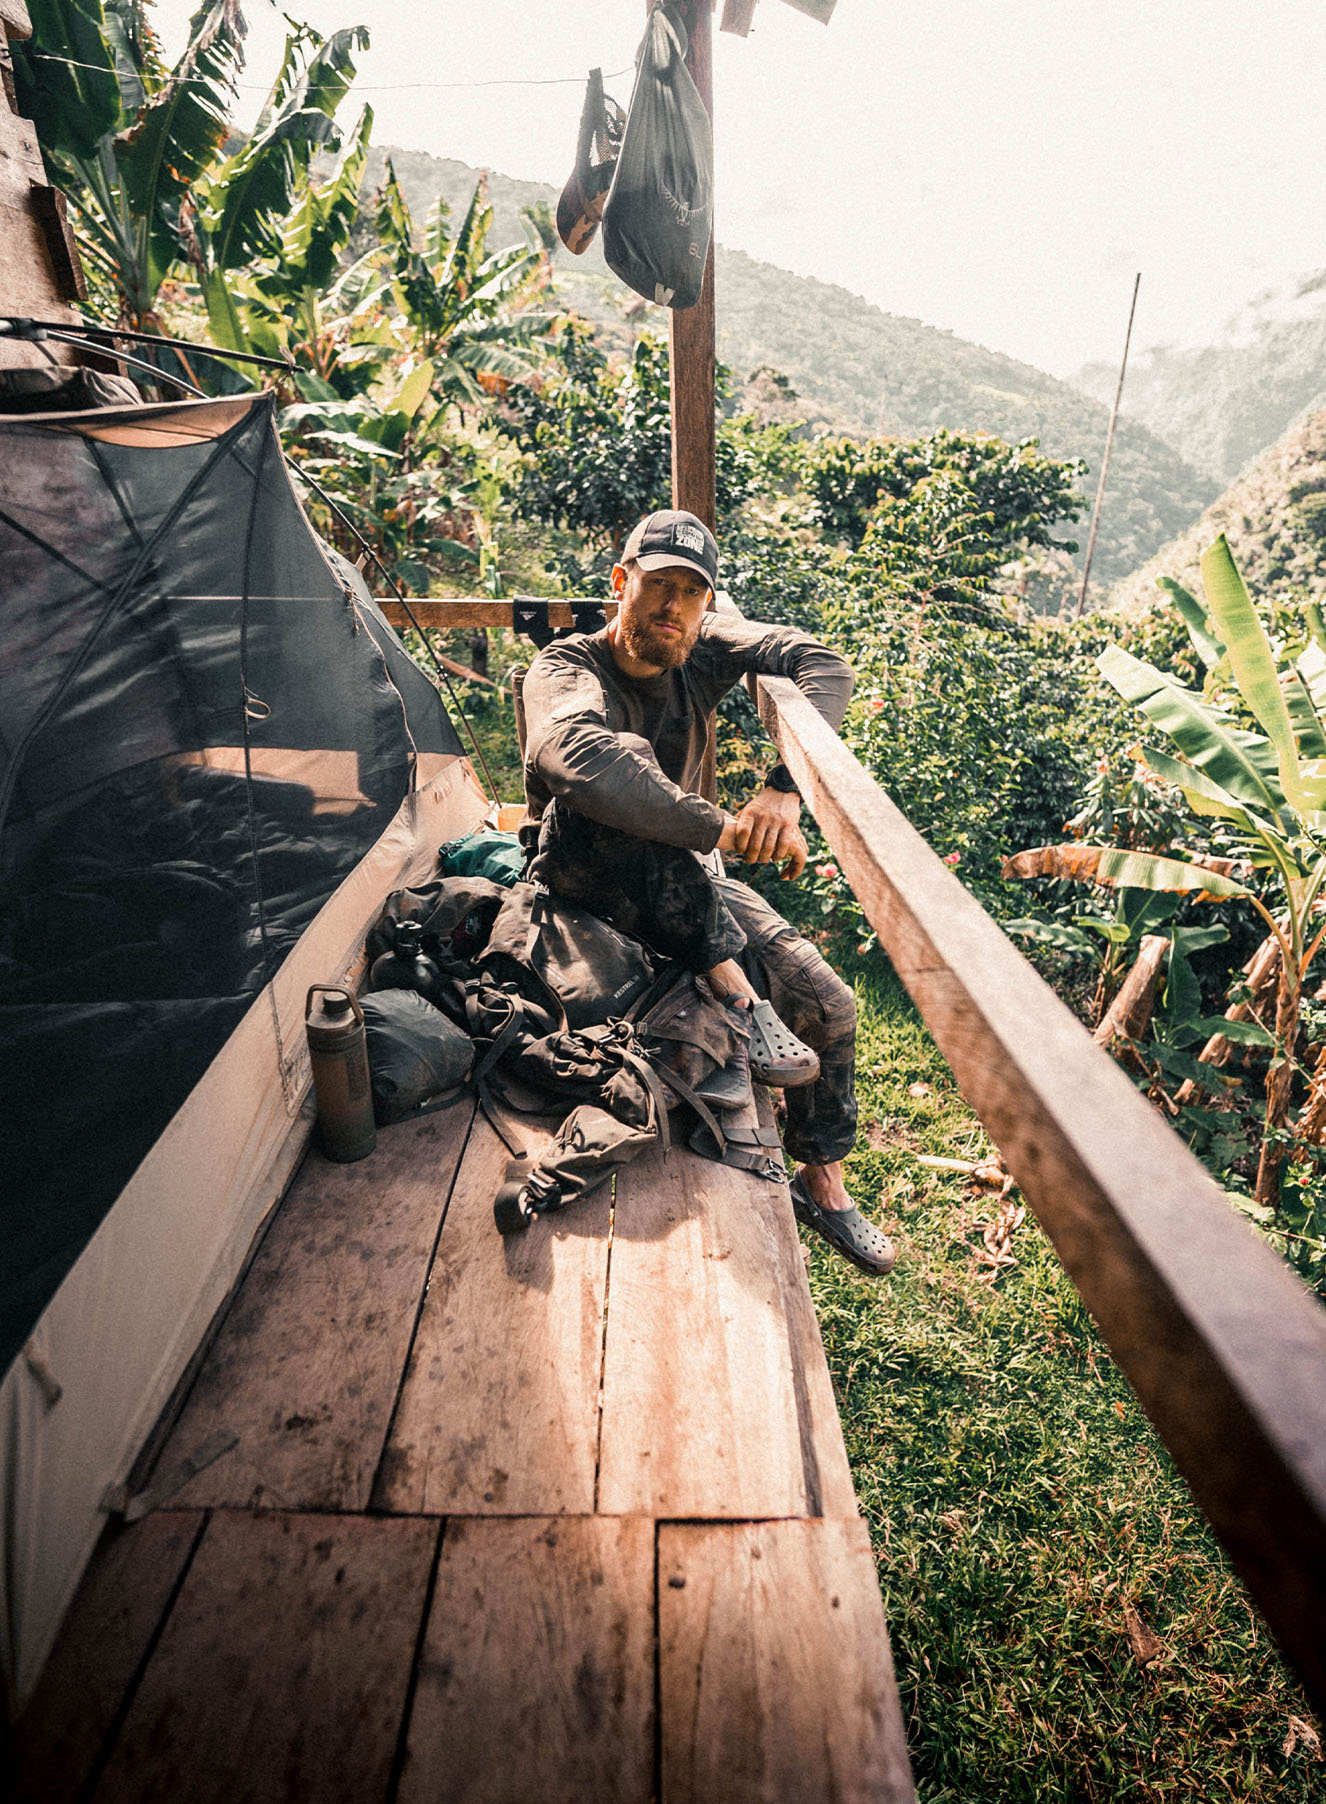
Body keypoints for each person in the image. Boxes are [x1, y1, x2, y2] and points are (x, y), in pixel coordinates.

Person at [519, 509, 894, 1277]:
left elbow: (824, 664)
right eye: (659, 585)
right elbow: (577, 757)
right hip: (577, 880)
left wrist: (783, 790)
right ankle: (737, 994)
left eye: (692, 593)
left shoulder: (703, 647)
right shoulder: (567, 666)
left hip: (682, 885)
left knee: (828, 1004)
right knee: (621, 768)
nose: (673, 607)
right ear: (622, 583)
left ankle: (821, 1182)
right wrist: (724, 828)